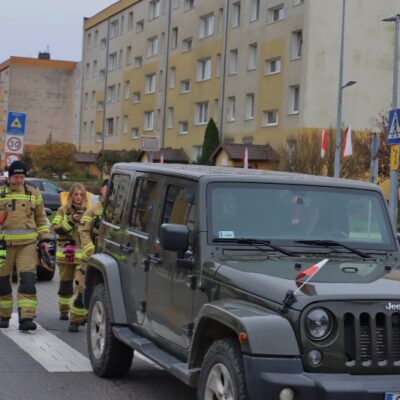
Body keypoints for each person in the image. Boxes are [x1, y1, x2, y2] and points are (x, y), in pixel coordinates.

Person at [0, 160, 50, 331]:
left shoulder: (32, 192)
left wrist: (44, 240)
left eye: (22, 177)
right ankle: (3, 315)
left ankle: (26, 318)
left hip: (27, 245)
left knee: (28, 280)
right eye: (16, 177)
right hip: (2, 246)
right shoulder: (0, 191)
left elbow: (41, 219)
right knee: (2, 281)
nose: (19, 180)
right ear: (9, 176)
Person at [69, 179, 108, 332]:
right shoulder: (92, 210)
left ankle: (95, 319)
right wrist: (90, 248)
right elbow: (83, 231)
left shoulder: (119, 211)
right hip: (91, 257)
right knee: (82, 287)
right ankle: (75, 319)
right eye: (106, 192)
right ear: (101, 192)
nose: (108, 196)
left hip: (110, 258)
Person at [52, 183, 88, 321]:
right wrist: (71, 220)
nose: (78, 197)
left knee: (82, 285)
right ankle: (64, 310)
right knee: (66, 284)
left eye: (81, 194)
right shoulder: (62, 210)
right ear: (71, 195)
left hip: (83, 255)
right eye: (76, 194)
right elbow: (56, 228)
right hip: (67, 253)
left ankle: (80, 312)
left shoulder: (88, 211)